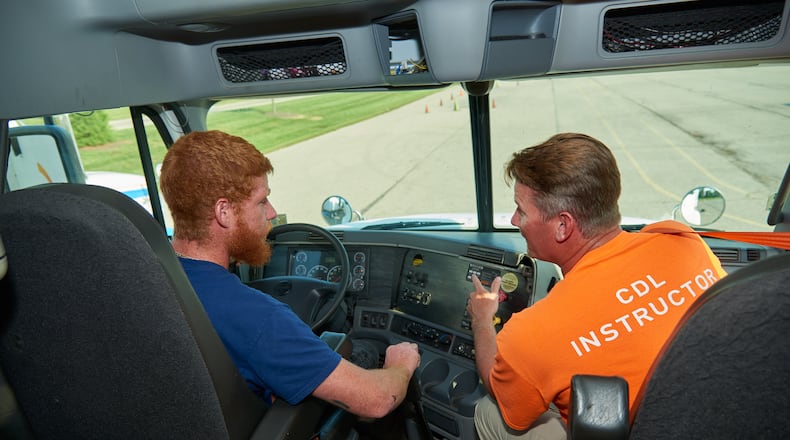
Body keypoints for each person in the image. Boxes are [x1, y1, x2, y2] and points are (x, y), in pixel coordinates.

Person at [466, 133, 727, 439]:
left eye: (521, 210)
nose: (513, 220)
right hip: (721, 411)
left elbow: (502, 393)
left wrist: (482, 321)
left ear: (563, 226)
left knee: (488, 411)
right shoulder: (682, 240)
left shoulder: (532, 332)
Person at [159, 130, 420, 419]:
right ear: (224, 212)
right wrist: (401, 364)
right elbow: (377, 400)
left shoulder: (148, 277)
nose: (272, 212)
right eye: (262, 202)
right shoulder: (257, 317)